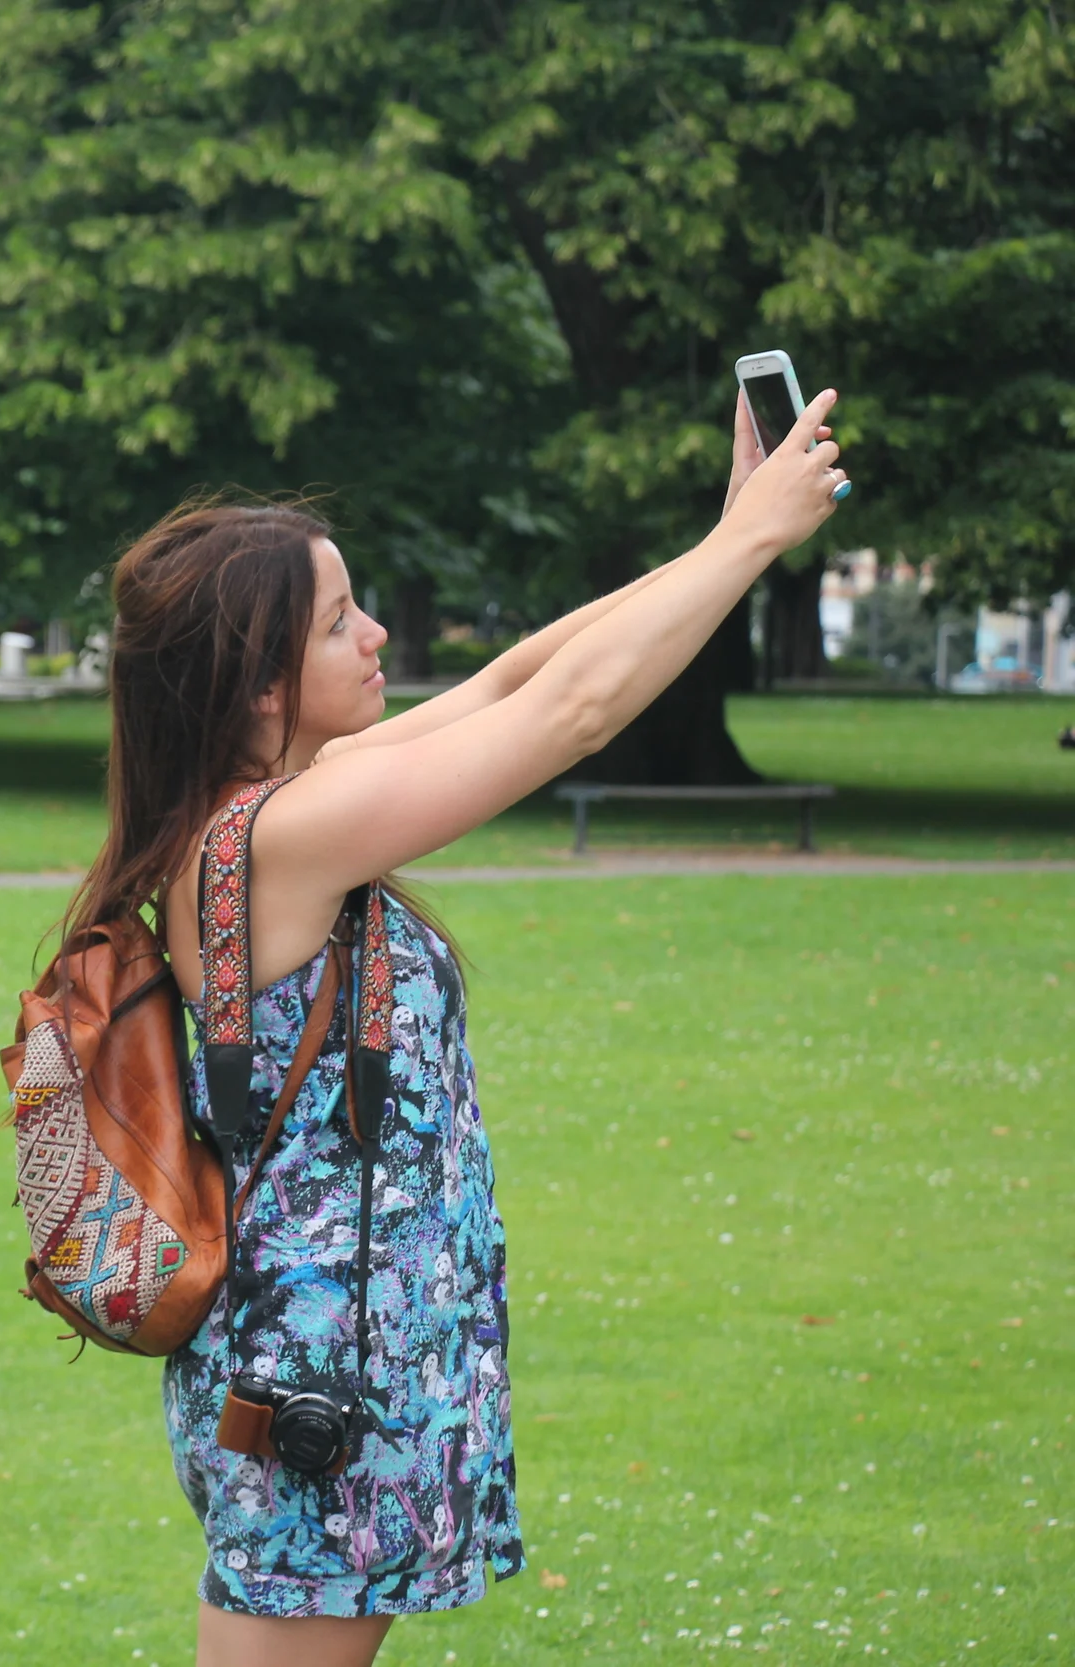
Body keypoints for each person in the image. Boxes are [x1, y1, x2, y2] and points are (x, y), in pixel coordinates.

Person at [63, 391, 849, 1667]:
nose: (377, 633)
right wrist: (755, 539)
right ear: (260, 686)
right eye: (339, 621)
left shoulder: (292, 799)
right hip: (314, 1392)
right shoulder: (272, 838)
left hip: (346, 1370)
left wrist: (720, 541)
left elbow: (514, 678)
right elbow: (569, 716)